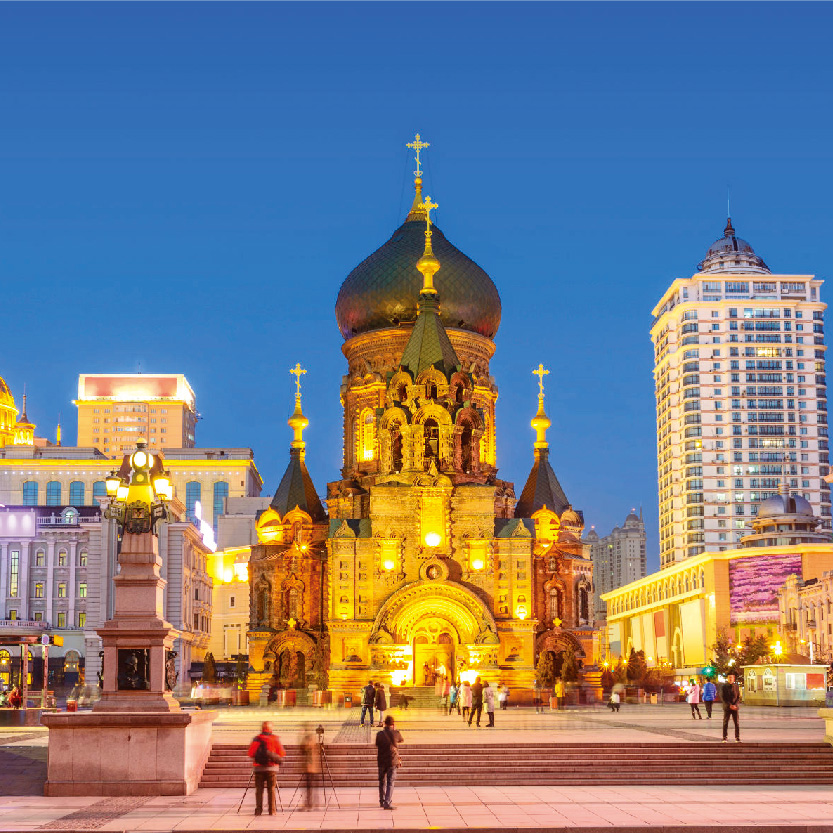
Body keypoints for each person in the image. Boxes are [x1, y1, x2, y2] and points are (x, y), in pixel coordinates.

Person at [247, 721, 286, 815]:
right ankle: (272, 810)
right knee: (271, 790)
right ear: (270, 729)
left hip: (258, 768)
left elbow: (251, 753)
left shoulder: (257, 739)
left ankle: (258, 810)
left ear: (262, 728)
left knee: (259, 790)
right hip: (271, 768)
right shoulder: (275, 739)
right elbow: (282, 753)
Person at [375, 714, 402, 810]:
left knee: (382, 782)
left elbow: (377, 744)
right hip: (392, 761)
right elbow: (401, 740)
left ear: (384, 724)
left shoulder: (379, 734)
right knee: (390, 782)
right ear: (393, 724)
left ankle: (382, 801)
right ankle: (387, 802)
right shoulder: (396, 733)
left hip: (381, 761)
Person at [299, 725, 320, 811]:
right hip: (310, 768)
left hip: (310, 768)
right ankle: (310, 804)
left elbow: (306, 751)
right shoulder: (310, 740)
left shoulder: (309, 741)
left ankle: (310, 804)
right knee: (309, 787)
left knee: (309, 787)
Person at [721, 672, 741, 743]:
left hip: (735, 707)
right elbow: (723, 697)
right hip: (727, 707)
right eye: (729, 677)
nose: (730, 679)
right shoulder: (724, 687)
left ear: (734, 678)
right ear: (727, 678)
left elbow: (738, 697)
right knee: (725, 722)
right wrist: (730, 705)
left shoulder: (736, 686)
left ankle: (737, 737)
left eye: (731, 677)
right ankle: (724, 737)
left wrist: (735, 705)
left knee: (736, 723)